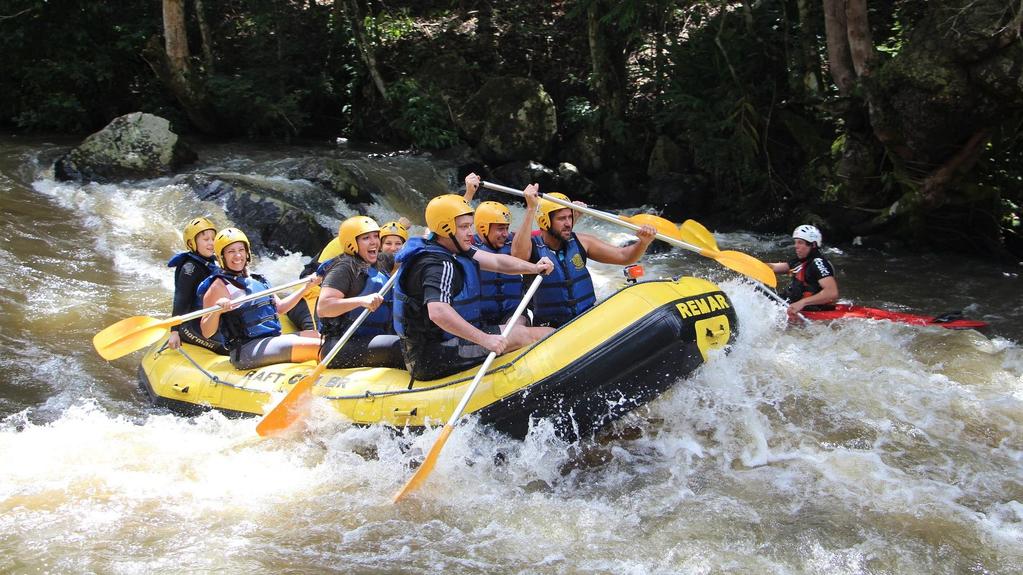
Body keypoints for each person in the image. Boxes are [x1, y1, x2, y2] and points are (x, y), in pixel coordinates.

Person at [392, 194, 555, 381]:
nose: (471, 232)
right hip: (433, 356)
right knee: (543, 334)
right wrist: (485, 339)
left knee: (519, 326)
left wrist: (534, 267)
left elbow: (497, 262)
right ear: (445, 228)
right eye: (463, 227)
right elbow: (438, 312)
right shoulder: (437, 265)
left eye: (470, 225)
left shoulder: (454, 249)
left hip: (438, 346)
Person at [510, 187, 657, 328]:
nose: (568, 223)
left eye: (570, 217)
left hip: (586, 319)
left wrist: (643, 242)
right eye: (562, 219)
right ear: (544, 221)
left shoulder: (583, 242)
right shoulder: (532, 247)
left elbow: (624, 256)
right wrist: (531, 209)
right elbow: (517, 256)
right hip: (551, 329)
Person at [197, 227, 322, 370]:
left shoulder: (258, 279)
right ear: (221, 257)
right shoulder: (218, 286)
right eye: (231, 251)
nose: (238, 256)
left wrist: (305, 288)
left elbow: (280, 308)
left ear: (247, 252)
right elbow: (206, 332)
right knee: (317, 346)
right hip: (246, 350)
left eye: (241, 250)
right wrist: (217, 311)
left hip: (270, 340)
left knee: (316, 336)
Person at [316, 216, 404, 368]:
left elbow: (405, 256)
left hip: (372, 339)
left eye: (376, 236)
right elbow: (323, 307)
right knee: (398, 347)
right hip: (340, 346)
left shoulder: (380, 261)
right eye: (366, 238)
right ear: (351, 243)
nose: (374, 242)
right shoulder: (344, 268)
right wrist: (361, 301)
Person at [462, 172, 526, 325]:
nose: (505, 234)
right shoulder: (466, 244)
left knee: (516, 326)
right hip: (479, 315)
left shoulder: (515, 242)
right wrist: (469, 193)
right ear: (483, 228)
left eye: (506, 228)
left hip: (513, 313)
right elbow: (448, 229)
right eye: (500, 229)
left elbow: (547, 233)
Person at [166, 216, 228, 354]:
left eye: (213, 239)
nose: (211, 243)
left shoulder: (213, 262)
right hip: (191, 326)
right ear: (192, 243)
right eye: (206, 240)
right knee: (228, 348)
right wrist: (174, 331)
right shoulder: (190, 269)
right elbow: (181, 300)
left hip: (209, 320)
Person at [768, 224, 839, 316]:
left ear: (813, 244)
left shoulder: (818, 263)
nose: (796, 246)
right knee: (756, 290)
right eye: (796, 242)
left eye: (800, 243)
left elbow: (832, 293)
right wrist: (750, 264)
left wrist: (802, 303)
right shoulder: (800, 261)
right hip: (787, 302)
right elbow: (773, 268)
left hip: (809, 311)